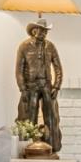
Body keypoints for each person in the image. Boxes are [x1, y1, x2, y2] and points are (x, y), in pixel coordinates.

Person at [15, 21, 63, 153]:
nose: (44, 33)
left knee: (51, 117)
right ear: (34, 30)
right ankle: (27, 148)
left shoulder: (50, 46)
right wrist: (23, 89)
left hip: (47, 85)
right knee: (29, 118)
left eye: (46, 31)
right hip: (31, 87)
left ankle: (52, 147)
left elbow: (58, 68)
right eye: (42, 30)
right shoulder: (24, 47)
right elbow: (19, 70)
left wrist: (56, 87)